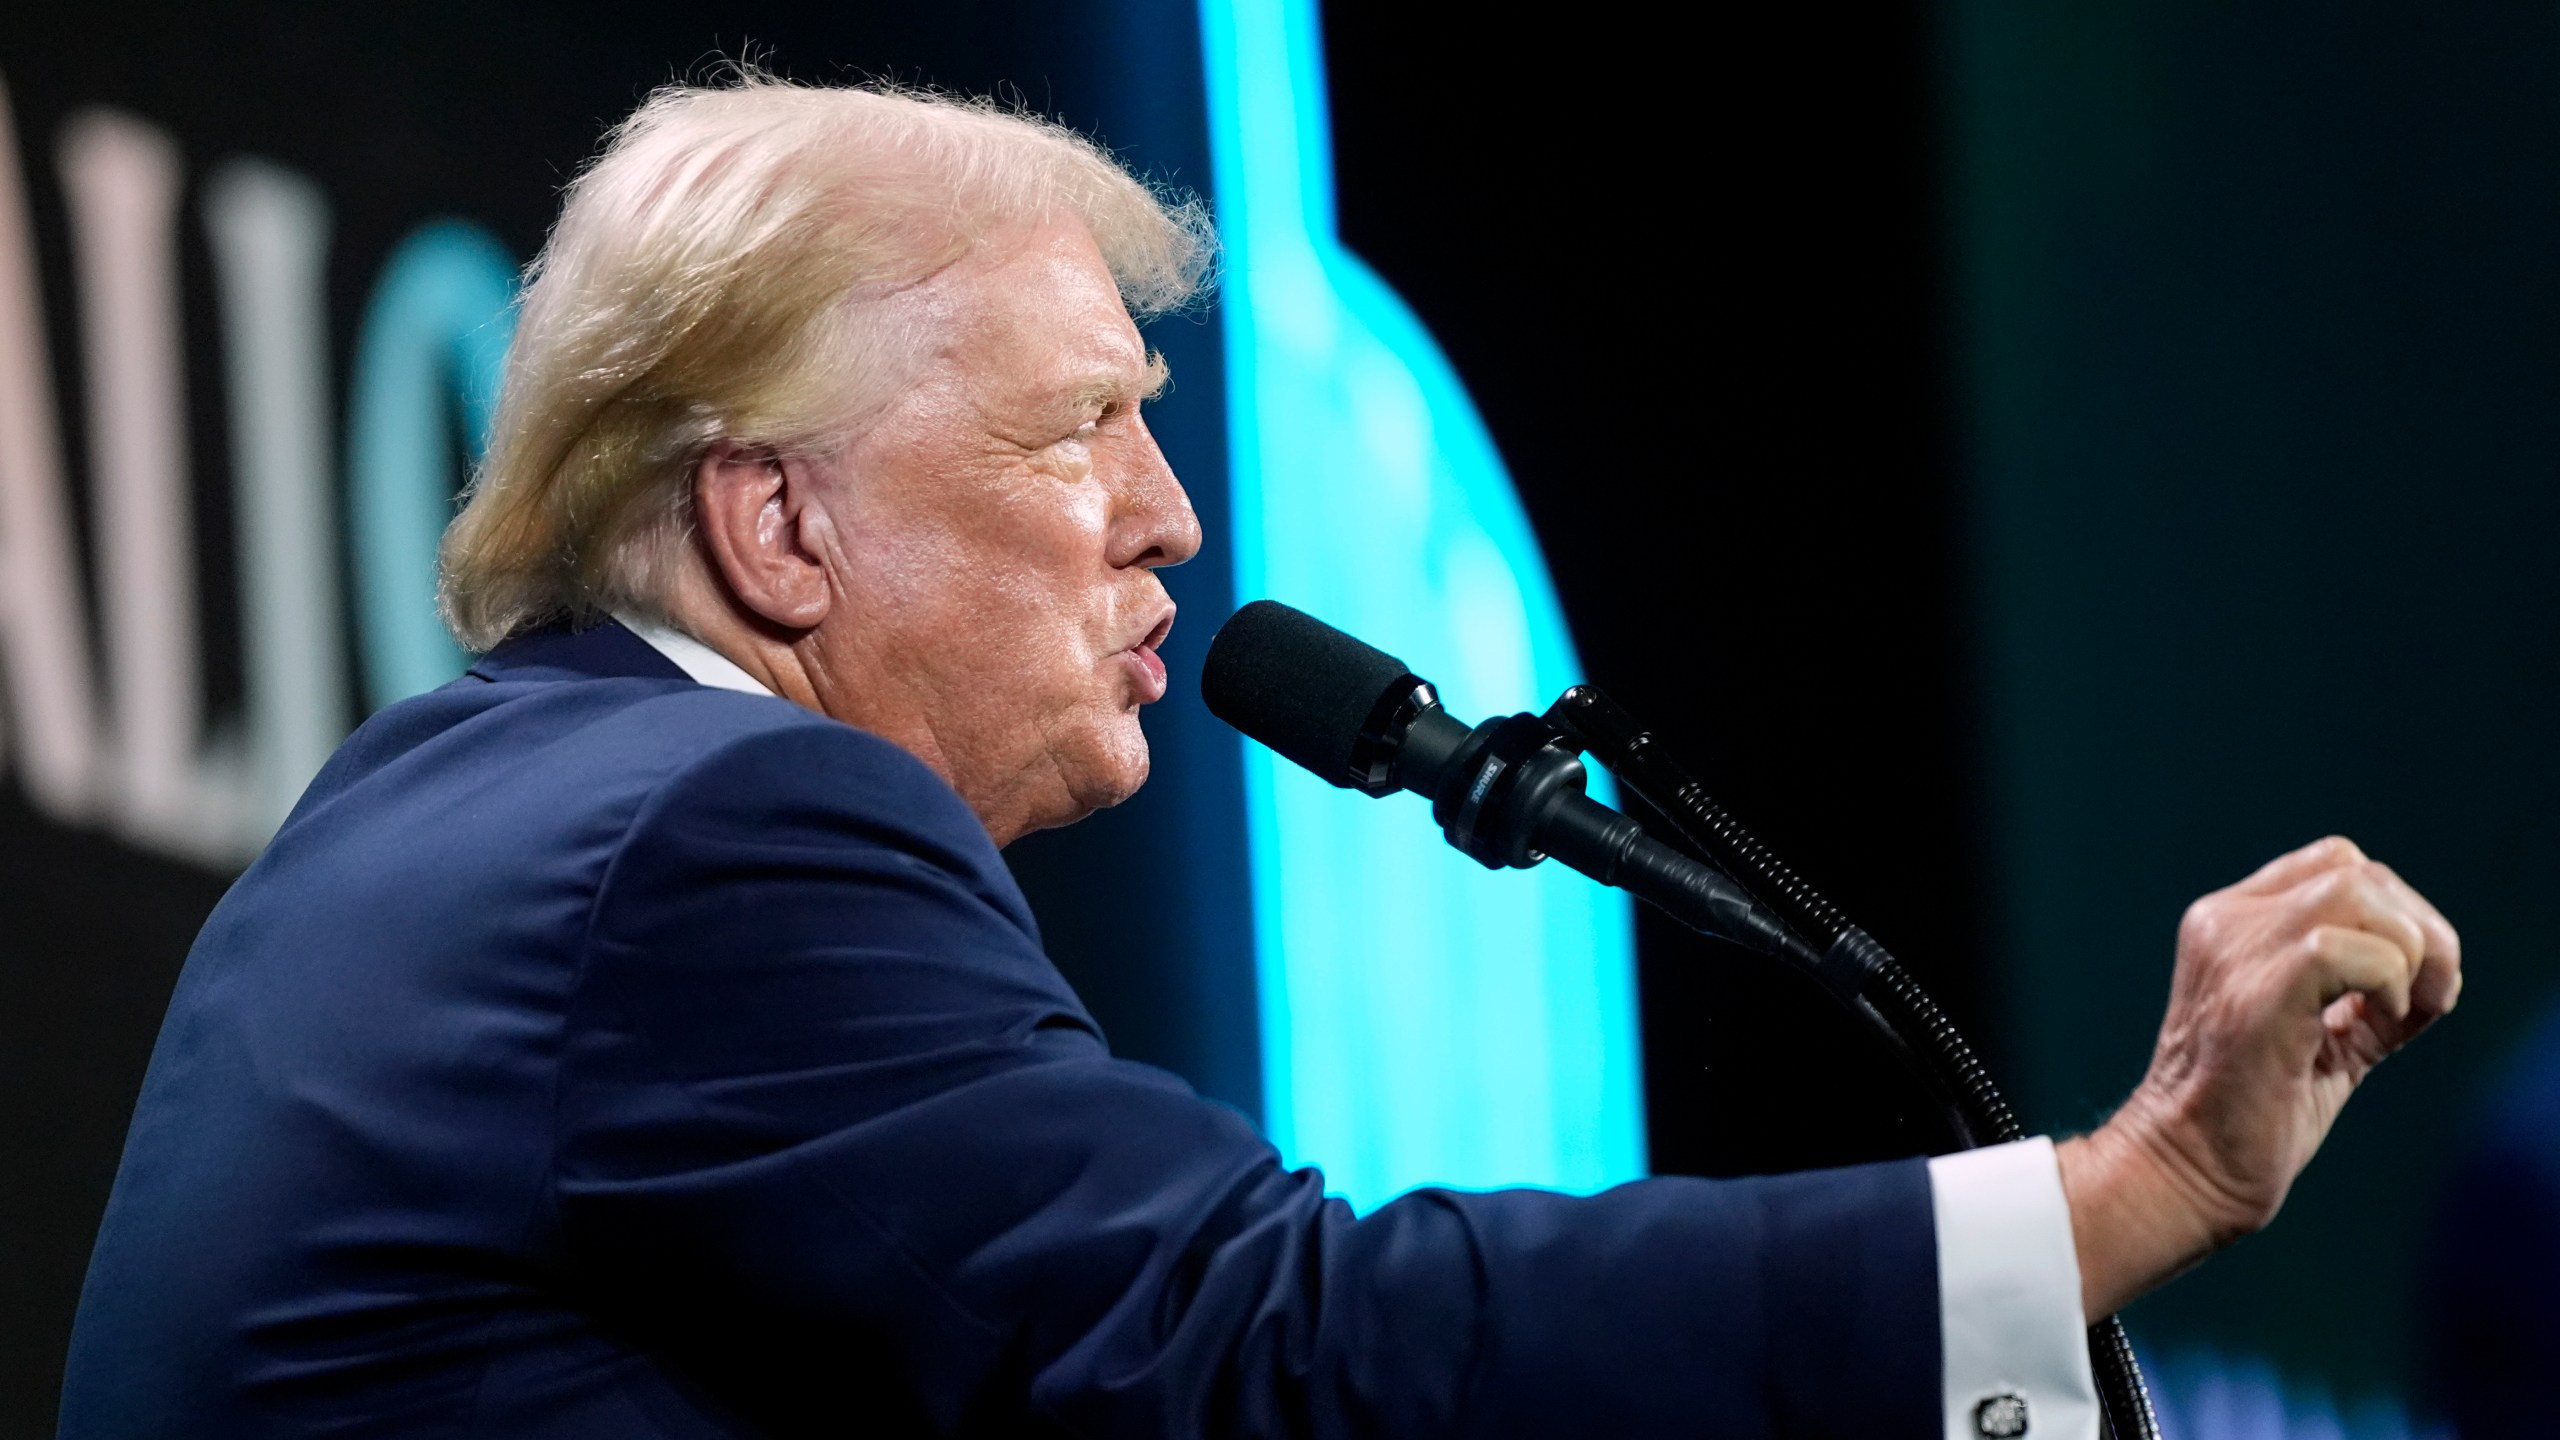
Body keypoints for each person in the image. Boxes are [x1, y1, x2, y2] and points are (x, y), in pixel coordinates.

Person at [58, 77, 2462, 1439]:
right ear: (773, 518)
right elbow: (1255, 1351)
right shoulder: (716, 833)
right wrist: (2123, 1193)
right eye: (1080, 425)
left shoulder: (468, 810)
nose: (1171, 517)